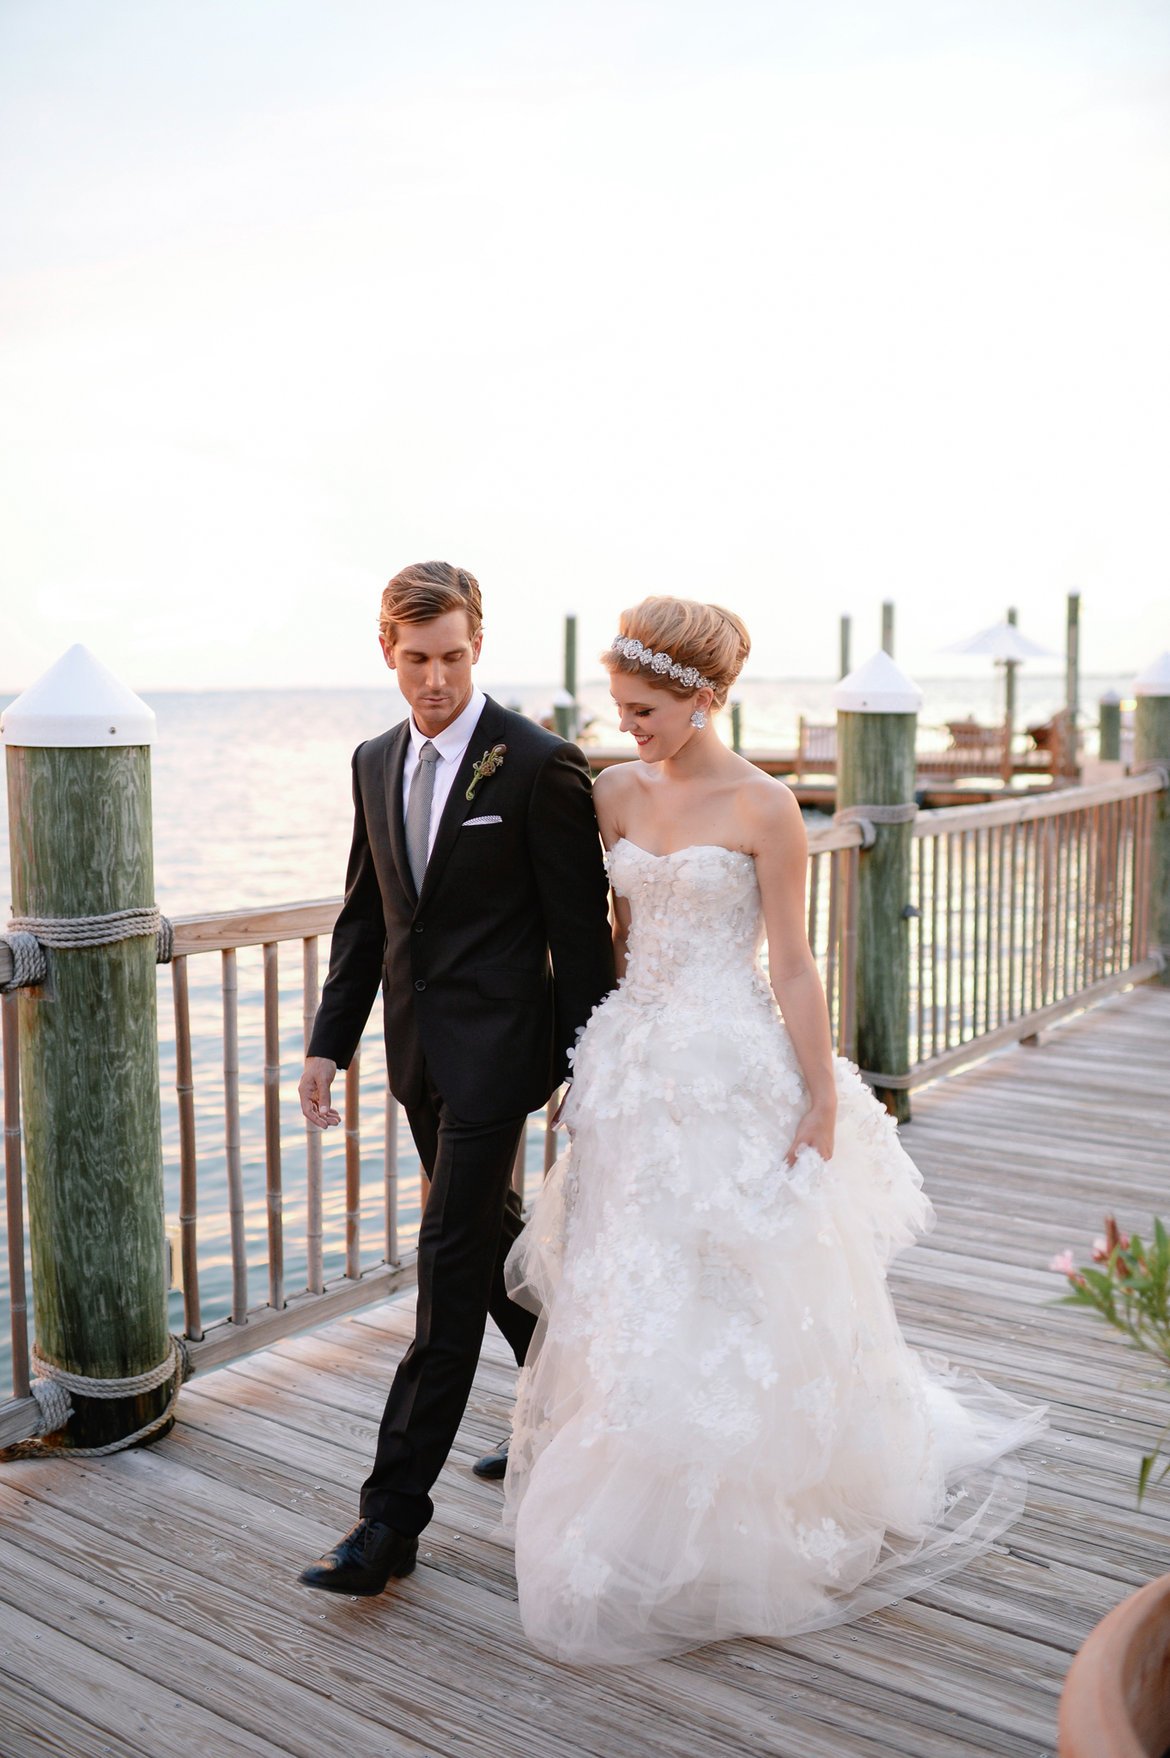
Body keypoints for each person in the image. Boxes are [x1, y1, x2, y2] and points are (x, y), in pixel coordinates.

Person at [502, 595, 1046, 1665]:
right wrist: (591, 1062)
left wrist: (824, 1093)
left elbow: (790, 961)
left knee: (736, 1282)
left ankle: (747, 1508)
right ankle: (640, 1480)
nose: (630, 726)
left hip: (733, 1061)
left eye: (648, 708)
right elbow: (613, 940)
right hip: (634, 1065)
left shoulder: (764, 807)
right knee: (630, 1282)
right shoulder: (610, 793)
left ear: (707, 698)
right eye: (619, 707)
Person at [297, 561, 614, 1595]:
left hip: (499, 1063)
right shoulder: (371, 760)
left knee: (445, 1266)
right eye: (417, 658)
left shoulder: (537, 764)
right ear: (387, 651)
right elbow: (366, 916)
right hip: (414, 1056)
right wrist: (328, 1043)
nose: (436, 678)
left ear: (478, 647)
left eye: (455, 657)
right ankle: (566, 1409)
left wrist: (585, 1066)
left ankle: (389, 1521)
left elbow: (579, 937)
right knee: (490, 1249)